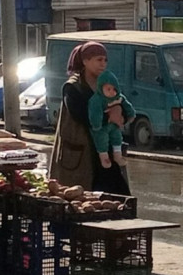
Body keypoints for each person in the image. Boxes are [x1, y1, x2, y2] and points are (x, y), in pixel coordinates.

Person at [48, 42, 131, 197]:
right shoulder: (72, 87)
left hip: (105, 151)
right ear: (85, 61)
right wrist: (111, 115)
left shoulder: (107, 85)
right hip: (80, 154)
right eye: (98, 60)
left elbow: (124, 108)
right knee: (78, 198)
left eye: (105, 60)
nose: (103, 64)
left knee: (118, 197)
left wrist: (119, 110)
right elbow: (82, 115)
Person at [86, 70, 135, 169]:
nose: (112, 92)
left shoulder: (119, 97)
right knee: (101, 139)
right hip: (102, 127)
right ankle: (104, 157)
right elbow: (95, 113)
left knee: (117, 138)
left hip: (114, 125)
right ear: (101, 88)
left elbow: (127, 106)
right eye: (108, 89)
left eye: (114, 89)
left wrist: (130, 115)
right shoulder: (97, 99)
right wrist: (97, 124)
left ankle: (118, 156)